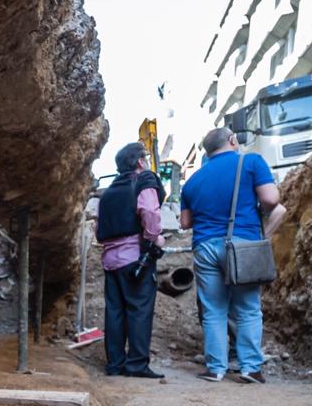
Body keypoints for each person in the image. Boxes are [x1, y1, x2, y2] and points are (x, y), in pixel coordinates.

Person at [180, 128, 287, 383]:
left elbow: (185, 222)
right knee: (247, 308)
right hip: (241, 244)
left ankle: (215, 368)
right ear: (232, 140)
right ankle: (250, 367)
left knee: (213, 309)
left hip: (205, 246)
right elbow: (272, 199)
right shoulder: (250, 161)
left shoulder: (193, 180)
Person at [97, 142, 166, 379]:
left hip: (110, 259)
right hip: (135, 258)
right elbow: (150, 213)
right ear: (139, 162)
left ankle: (115, 364)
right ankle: (136, 365)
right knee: (139, 310)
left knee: (114, 311)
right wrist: (154, 238)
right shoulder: (143, 182)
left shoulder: (108, 192)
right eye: (145, 157)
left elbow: (100, 227)